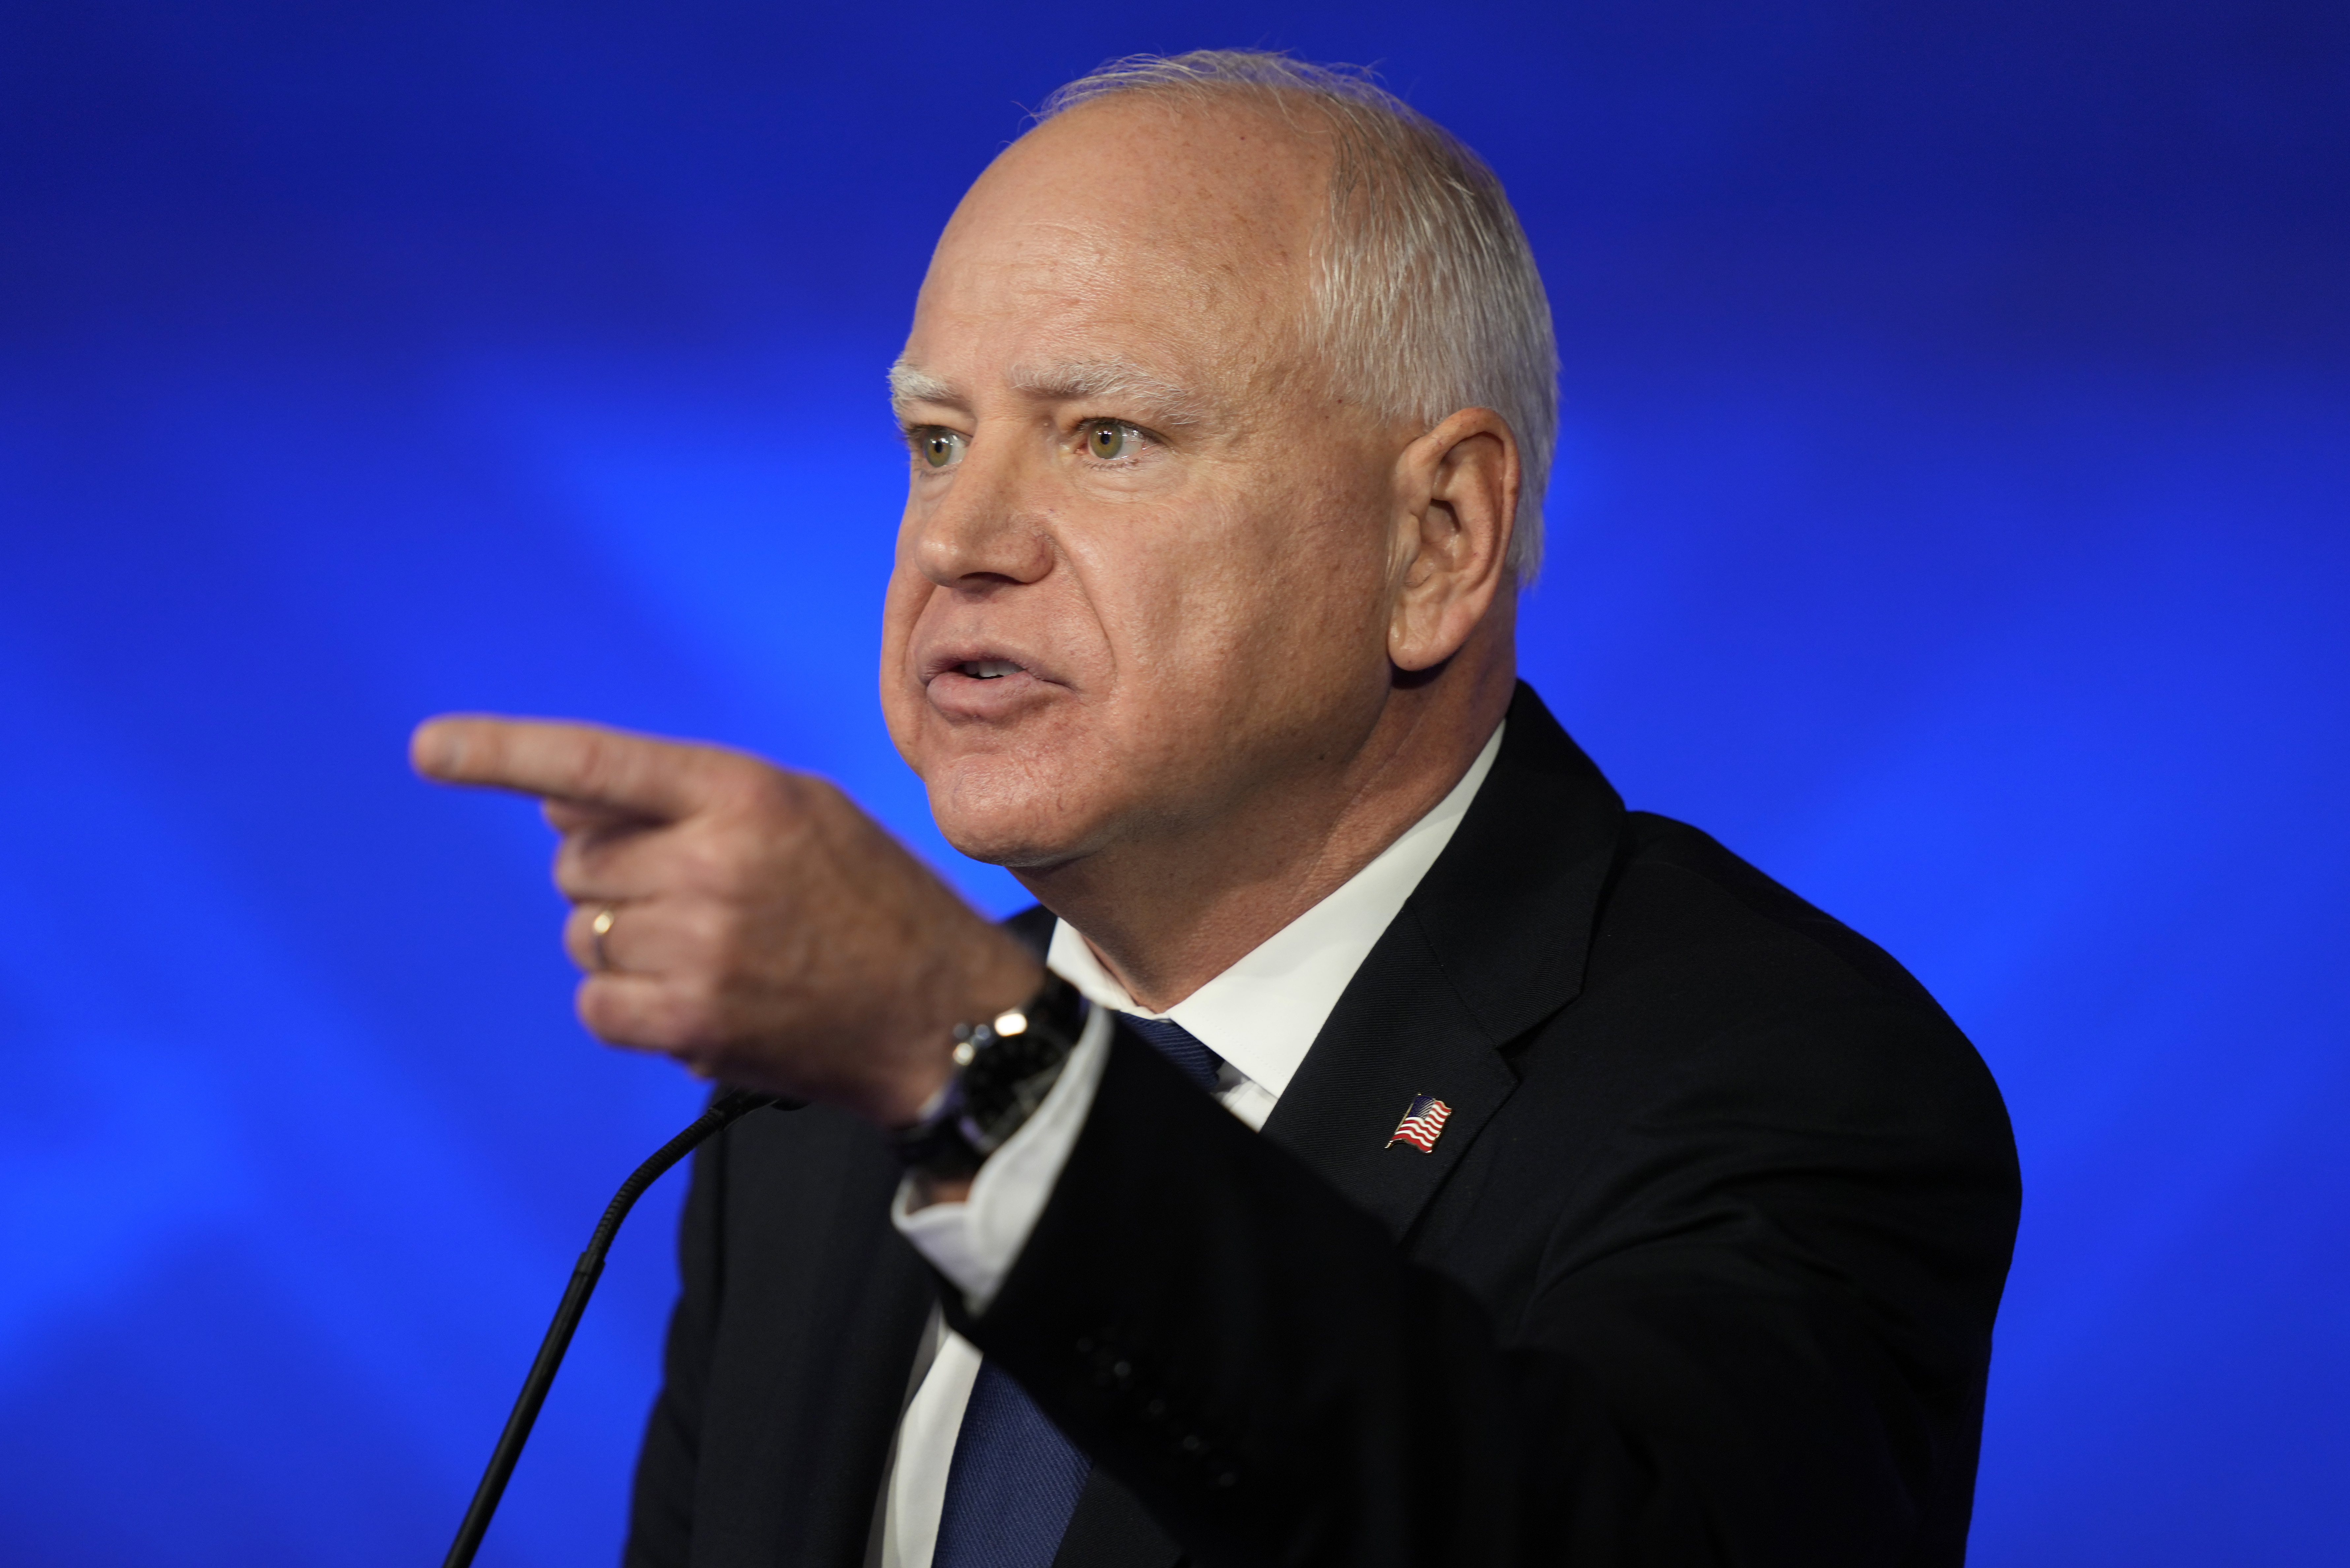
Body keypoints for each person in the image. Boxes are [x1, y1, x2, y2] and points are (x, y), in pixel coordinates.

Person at [411, 50, 2019, 1568]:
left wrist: (987, 1082)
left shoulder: (1785, 1079)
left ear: (1437, 540)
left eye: (1107, 436)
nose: (961, 539)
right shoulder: (815, 1133)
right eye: (935, 439)